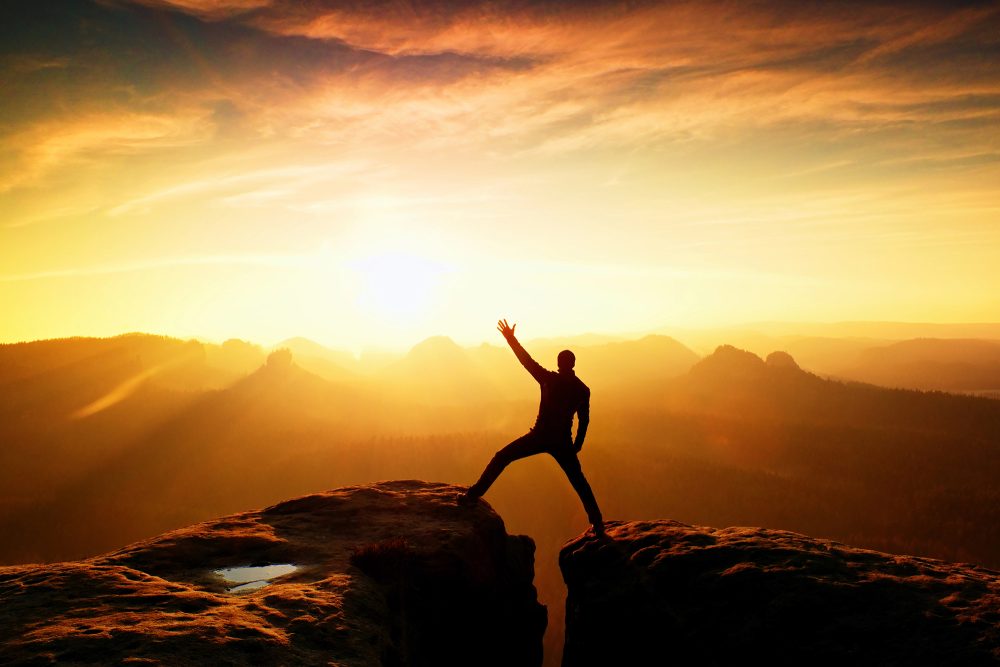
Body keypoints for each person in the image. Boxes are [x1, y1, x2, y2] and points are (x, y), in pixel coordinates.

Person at [460, 319, 605, 536]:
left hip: (539, 436)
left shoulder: (549, 379)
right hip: (562, 441)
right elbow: (584, 420)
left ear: (560, 363)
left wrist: (510, 338)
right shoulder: (582, 389)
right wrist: (577, 444)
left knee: (502, 457)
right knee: (578, 481)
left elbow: (525, 360)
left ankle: (472, 496)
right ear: (573, 364)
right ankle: (598, 523)